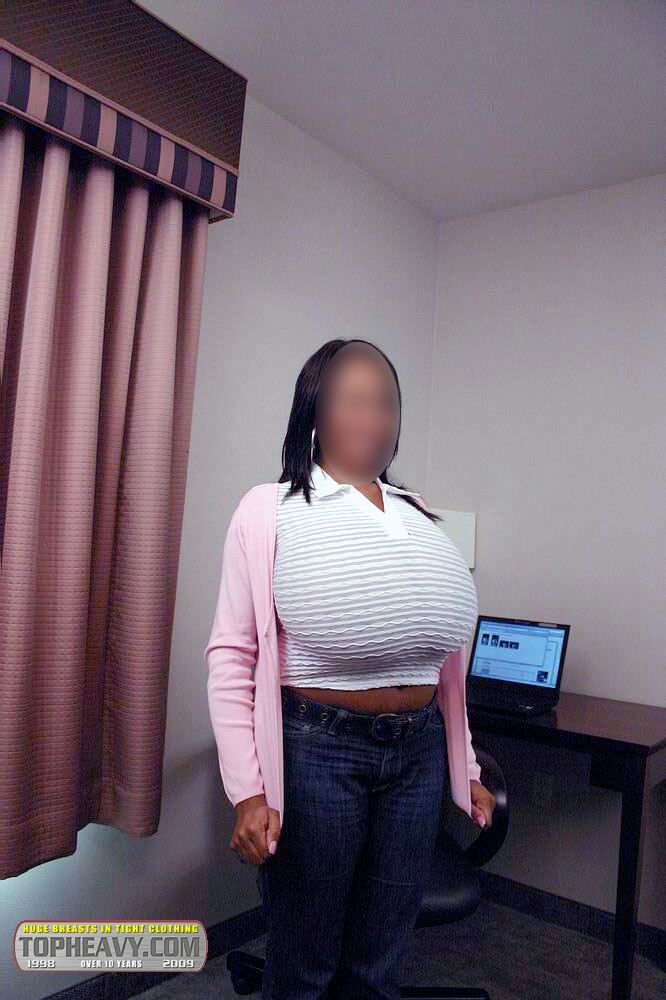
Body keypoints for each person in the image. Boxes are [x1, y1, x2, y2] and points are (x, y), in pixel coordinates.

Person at [205, 338, 496, 999]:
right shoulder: (270, 509)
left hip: (418, 753)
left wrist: (468, 768)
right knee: (306, 958)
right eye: (353, 400)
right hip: (318, 751)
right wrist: (248, 791)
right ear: (315, 411)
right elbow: (232, 654)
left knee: (379, 957)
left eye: (385, 402)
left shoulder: (417, 513)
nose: (373, 416)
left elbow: (445, 663)